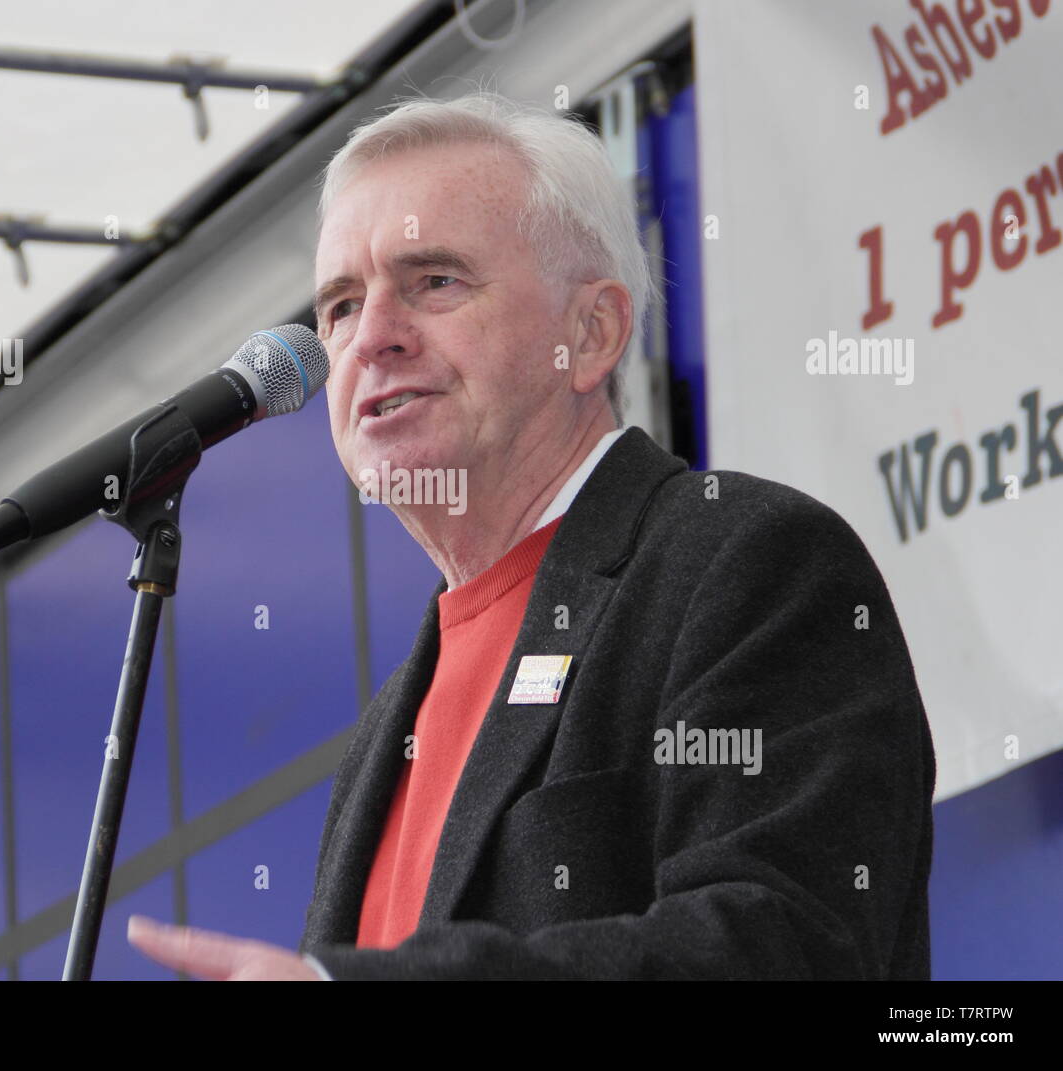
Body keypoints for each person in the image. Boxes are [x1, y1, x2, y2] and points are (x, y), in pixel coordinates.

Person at [127, 92, 935, 981]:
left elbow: (781, 946)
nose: (372, 341)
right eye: (341, 306)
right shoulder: (385, 730)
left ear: (591, 335)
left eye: (434, 281)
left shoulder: (748, 562)